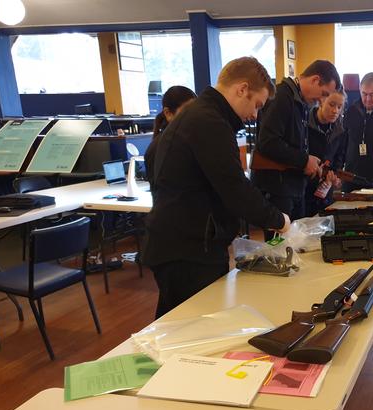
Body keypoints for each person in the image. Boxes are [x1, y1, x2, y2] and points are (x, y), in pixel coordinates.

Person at [141, 57, 290, 318]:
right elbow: (235, 189)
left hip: (186, 244)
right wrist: (280, 221)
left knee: (181, 325)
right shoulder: (208, 121)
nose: (255, 115)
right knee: (188, 329)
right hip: (187, 251)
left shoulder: (201, 114)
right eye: (256, 105)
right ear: (242, 89)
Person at [252, 60, 341, 236]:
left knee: (297, 248)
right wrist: (304, 160)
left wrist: (309, 161)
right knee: (279, 251)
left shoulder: (299, 102)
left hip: (292, 188)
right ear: (315, 80)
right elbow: (267, 142)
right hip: (277, 190)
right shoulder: (282, 97)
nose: (322, 100)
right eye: (323, 94)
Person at [145, 85, 197, 200]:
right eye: (186, 112)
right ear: (168, 113)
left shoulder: (185, 140)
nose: (193, 117)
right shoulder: (162, 146)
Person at [304, 88, 347, 216]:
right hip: (303, 187)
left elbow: (339, 157)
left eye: (340, 107)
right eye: (332, 104)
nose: (335, 111)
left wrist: (335, 175)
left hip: (325, 190)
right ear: (321, 100)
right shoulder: (304, 122)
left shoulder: (341, 128)